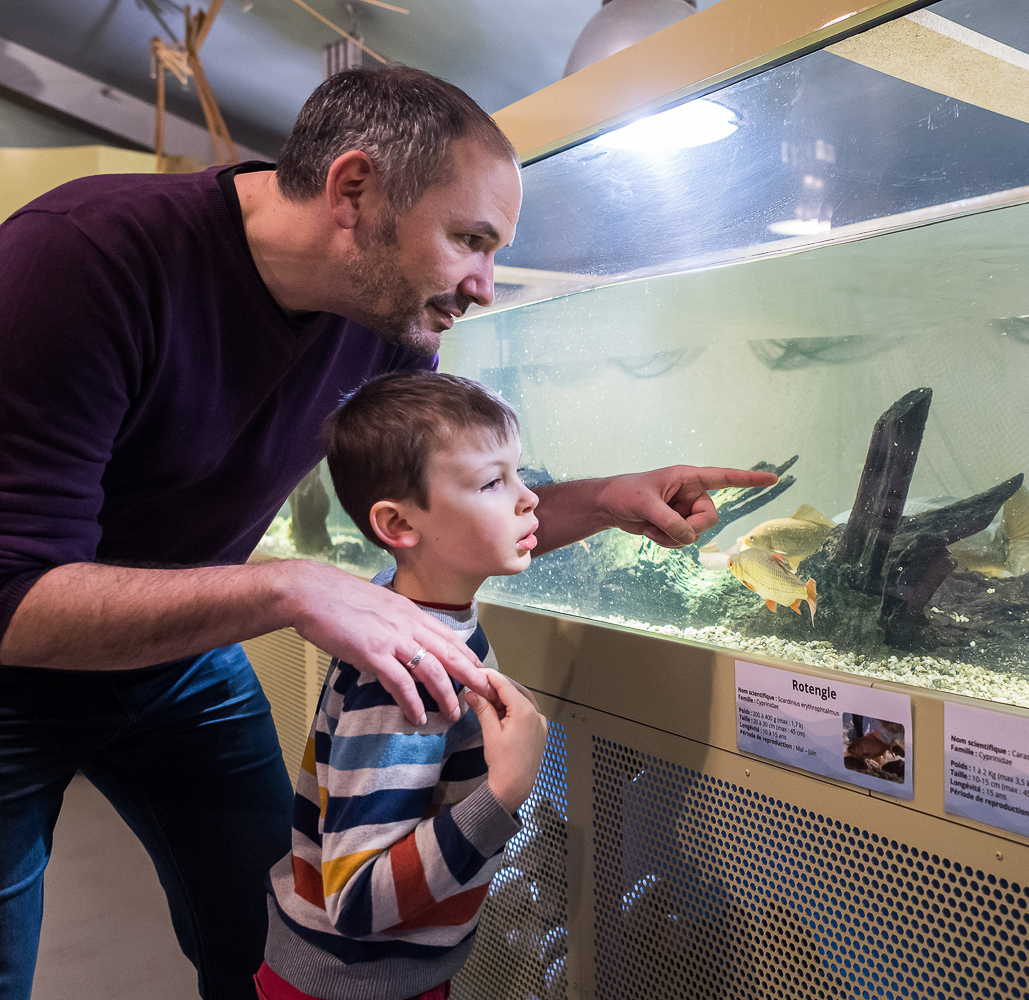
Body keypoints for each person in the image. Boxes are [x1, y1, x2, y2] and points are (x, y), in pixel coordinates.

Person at [0, 66, 776, 1000]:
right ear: (354, 190)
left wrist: (609, 498)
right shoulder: (81, 260)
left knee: (272, 937)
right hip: (17, 667)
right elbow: (13, 599)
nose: (485, 286)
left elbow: (438, 521)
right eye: (470, 240)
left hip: (184, 652)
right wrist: (288, 586)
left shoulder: (391, 323)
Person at [255, 371, 548, 1000]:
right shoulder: (404, 678)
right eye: (492, 482)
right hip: (352, 983)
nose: (529, 499)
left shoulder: (406, 606)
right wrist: (505, 792)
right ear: (398, 525)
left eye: (518, 473)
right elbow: (357, 900)